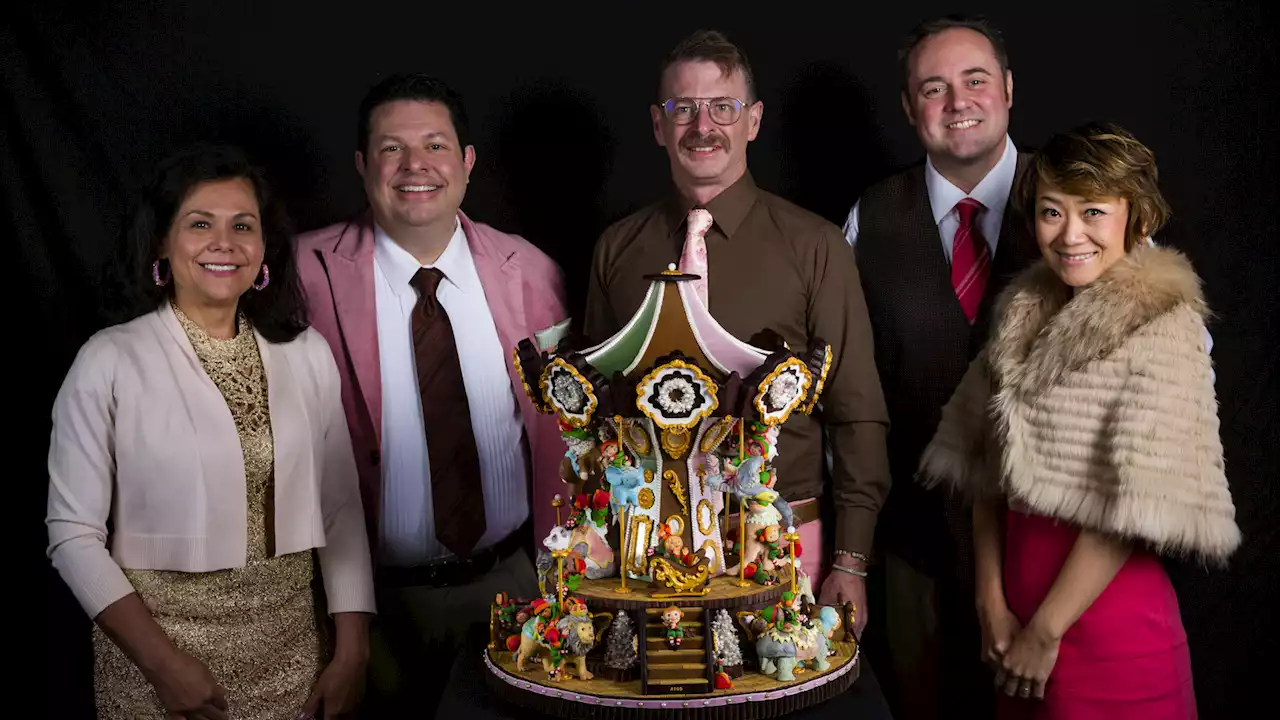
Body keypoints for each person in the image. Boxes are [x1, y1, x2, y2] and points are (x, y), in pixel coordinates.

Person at [919, 121, 1240, 718]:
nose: (1071, 235)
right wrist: (991, 602)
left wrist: (1045, 631)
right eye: (1051, 212)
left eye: (1094, 211)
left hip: (1109, 631)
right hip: (1012, 629)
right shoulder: (1021, 312)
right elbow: (983, 465)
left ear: (1136, 220)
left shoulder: (1166, 327)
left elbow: (1134, 505)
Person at [46, 144, 376, 720]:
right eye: (200, 223)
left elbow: (341, 510)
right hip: (157, 668)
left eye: (242, 226)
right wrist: (163, 666)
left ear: (264, 248)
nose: (224, 242)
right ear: (161, 244)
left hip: (294, 660)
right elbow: (72, 536)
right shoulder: (109, 360)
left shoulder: (306, 353)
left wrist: (351, 650)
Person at [584, 29, 890, 637]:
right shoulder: (616, 249)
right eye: (684, 108)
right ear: (657, 124)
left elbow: (857, 413)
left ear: (751, 121)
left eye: (722, 107)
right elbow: (594, 414)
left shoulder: (816, 246)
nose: (703, 126)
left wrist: (851, 561)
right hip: (641, 549)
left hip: (781, 539)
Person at [294, 73, 569, 715]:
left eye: (435, 146)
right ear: (363, 166)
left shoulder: (531, 271)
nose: (415, 166)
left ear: (467, 162)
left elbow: (568, 432)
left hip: (511, 588)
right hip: (368, 605)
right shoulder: (302, 275)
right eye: (392, 148)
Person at [841, 15, 1040, 718]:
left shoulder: (1078, 197)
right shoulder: (871, 217)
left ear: (1009, 89)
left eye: (975, 80)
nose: (958, 101)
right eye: (934, 87)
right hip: (913, 545)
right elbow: (846, 385)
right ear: (908, 107)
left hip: (1047, 545)